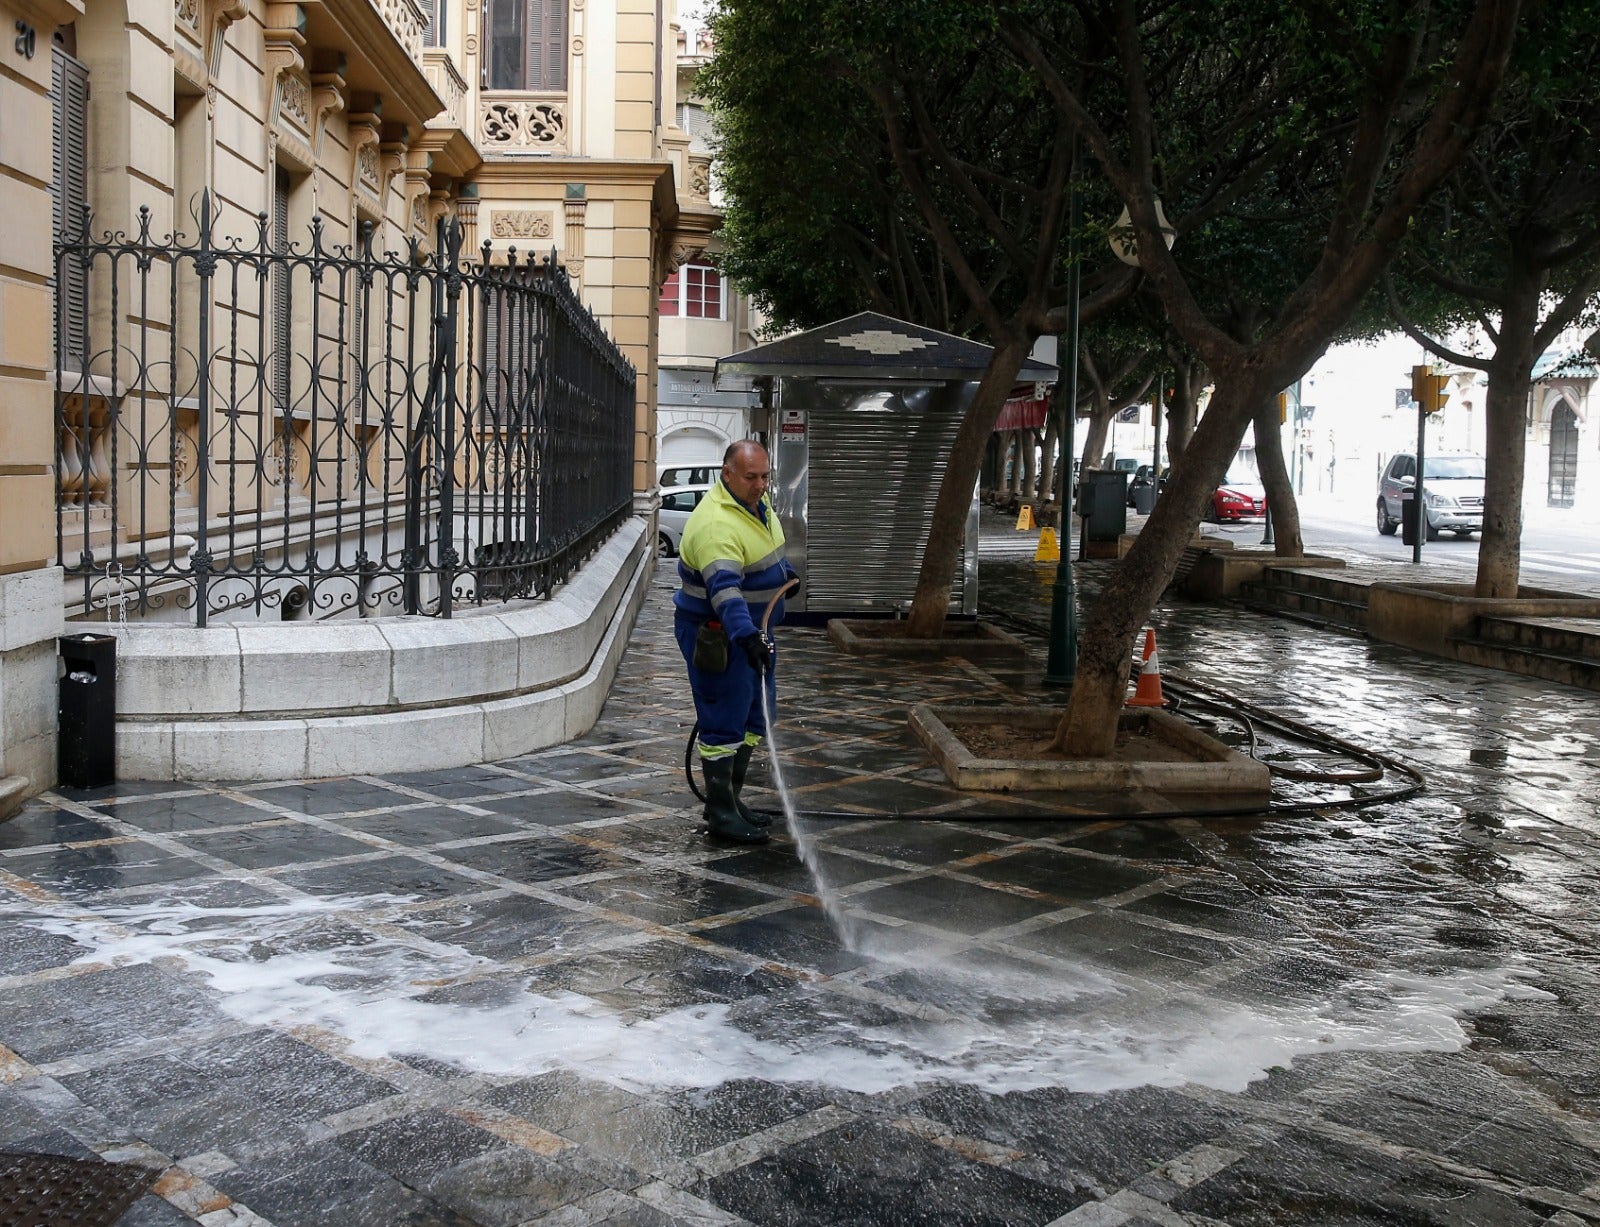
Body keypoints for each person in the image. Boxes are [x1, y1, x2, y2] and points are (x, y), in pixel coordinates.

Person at [673, 440, 799, 843]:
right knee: (723, 720)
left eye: (765, 476)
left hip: (753, 634)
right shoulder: (716, 525)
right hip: (721, 637)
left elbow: (768, 553)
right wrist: (747, 637)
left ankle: (731, 799)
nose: (760, 484)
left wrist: (786, 575)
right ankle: (722, 813)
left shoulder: (755, 506)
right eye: (751, 477)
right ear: (726, 474)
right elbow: (725, 592)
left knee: (754, 718)